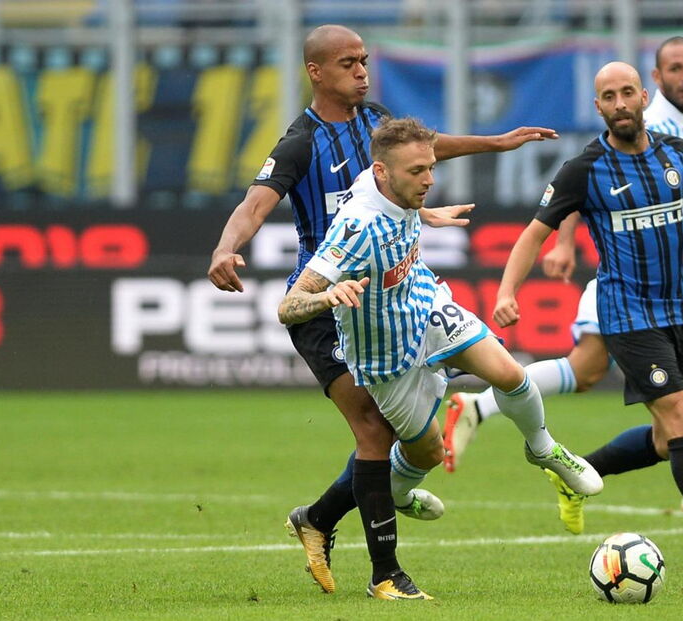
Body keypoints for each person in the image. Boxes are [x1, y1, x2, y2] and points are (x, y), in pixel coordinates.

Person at [207, 24, 561, 599]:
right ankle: (386, 575)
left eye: (365, 60)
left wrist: (497, 143)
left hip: (389, 300)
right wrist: (227, 247)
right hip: (324, 307)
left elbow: (429, 146)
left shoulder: (376, 120)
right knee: (373, 428)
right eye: (348, 62)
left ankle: (319, 517)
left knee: (414, 440)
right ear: (316, 72)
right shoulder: (301, 143)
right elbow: (254, 202)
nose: (362, 70)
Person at [278, 117, 603, 598]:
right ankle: (400, 495)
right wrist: (327, 297)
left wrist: (424, 213)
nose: (429, 179)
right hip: (385, 355)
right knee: (426, 451)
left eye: (430, 167)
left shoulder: (388, 184)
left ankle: (542, 447)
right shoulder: (355, 227)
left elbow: (406, 199)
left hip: (427, 307)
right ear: (382, 173)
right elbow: (287, 308)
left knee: (509, 373)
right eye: (418, 172)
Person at [443, 36, 683, 525]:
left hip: (654, 275)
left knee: (588, 371)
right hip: (640, 280)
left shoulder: (682, 131)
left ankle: (506, 424)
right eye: (675, 68)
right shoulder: (642, 121)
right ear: (653, 83)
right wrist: (565, 243)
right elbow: (585, 185)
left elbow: (680, 178)